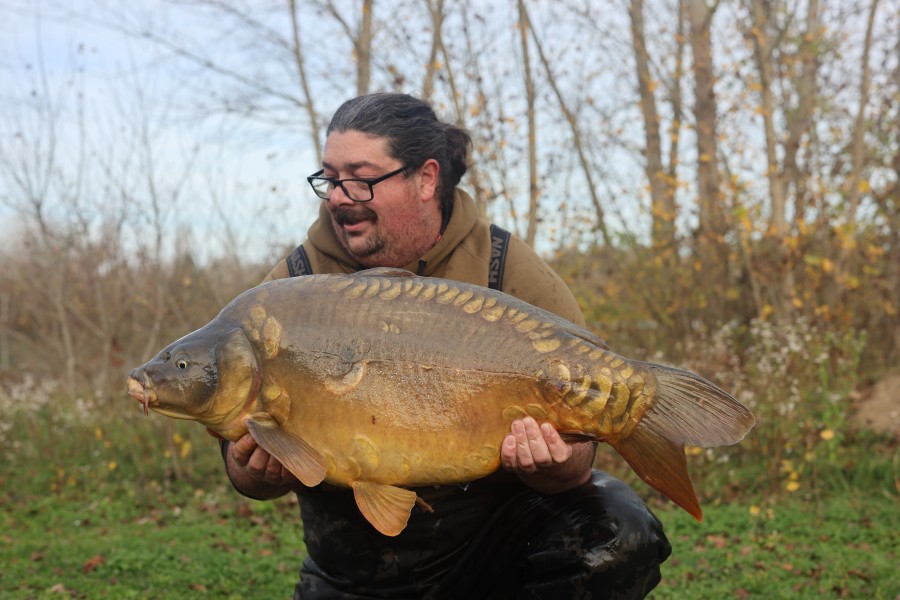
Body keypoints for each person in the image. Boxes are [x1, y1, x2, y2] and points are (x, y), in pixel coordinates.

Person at [215, 92, 671, 599]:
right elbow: (241, 463)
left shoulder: (504, 269)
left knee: (618, 534)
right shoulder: (290, 289)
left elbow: (576, 466)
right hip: (355, 568)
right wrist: (253, 470)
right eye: (330, 178)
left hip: (496, 553)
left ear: (426, 178)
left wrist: (558, 463)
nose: (339, 196)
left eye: (361, 178)